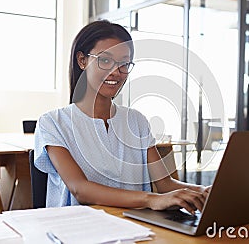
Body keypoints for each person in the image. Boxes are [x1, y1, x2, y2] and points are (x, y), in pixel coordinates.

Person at [34, 20, 209, 214]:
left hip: (137, 226)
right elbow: (80, 189)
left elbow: (164, 183)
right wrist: (151, 199)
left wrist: (202, 192)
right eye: (105, 60)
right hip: (79, 230)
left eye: (124, 63)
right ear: (82, 60)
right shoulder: (52, 123)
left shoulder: (137, 121)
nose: (116, 72)